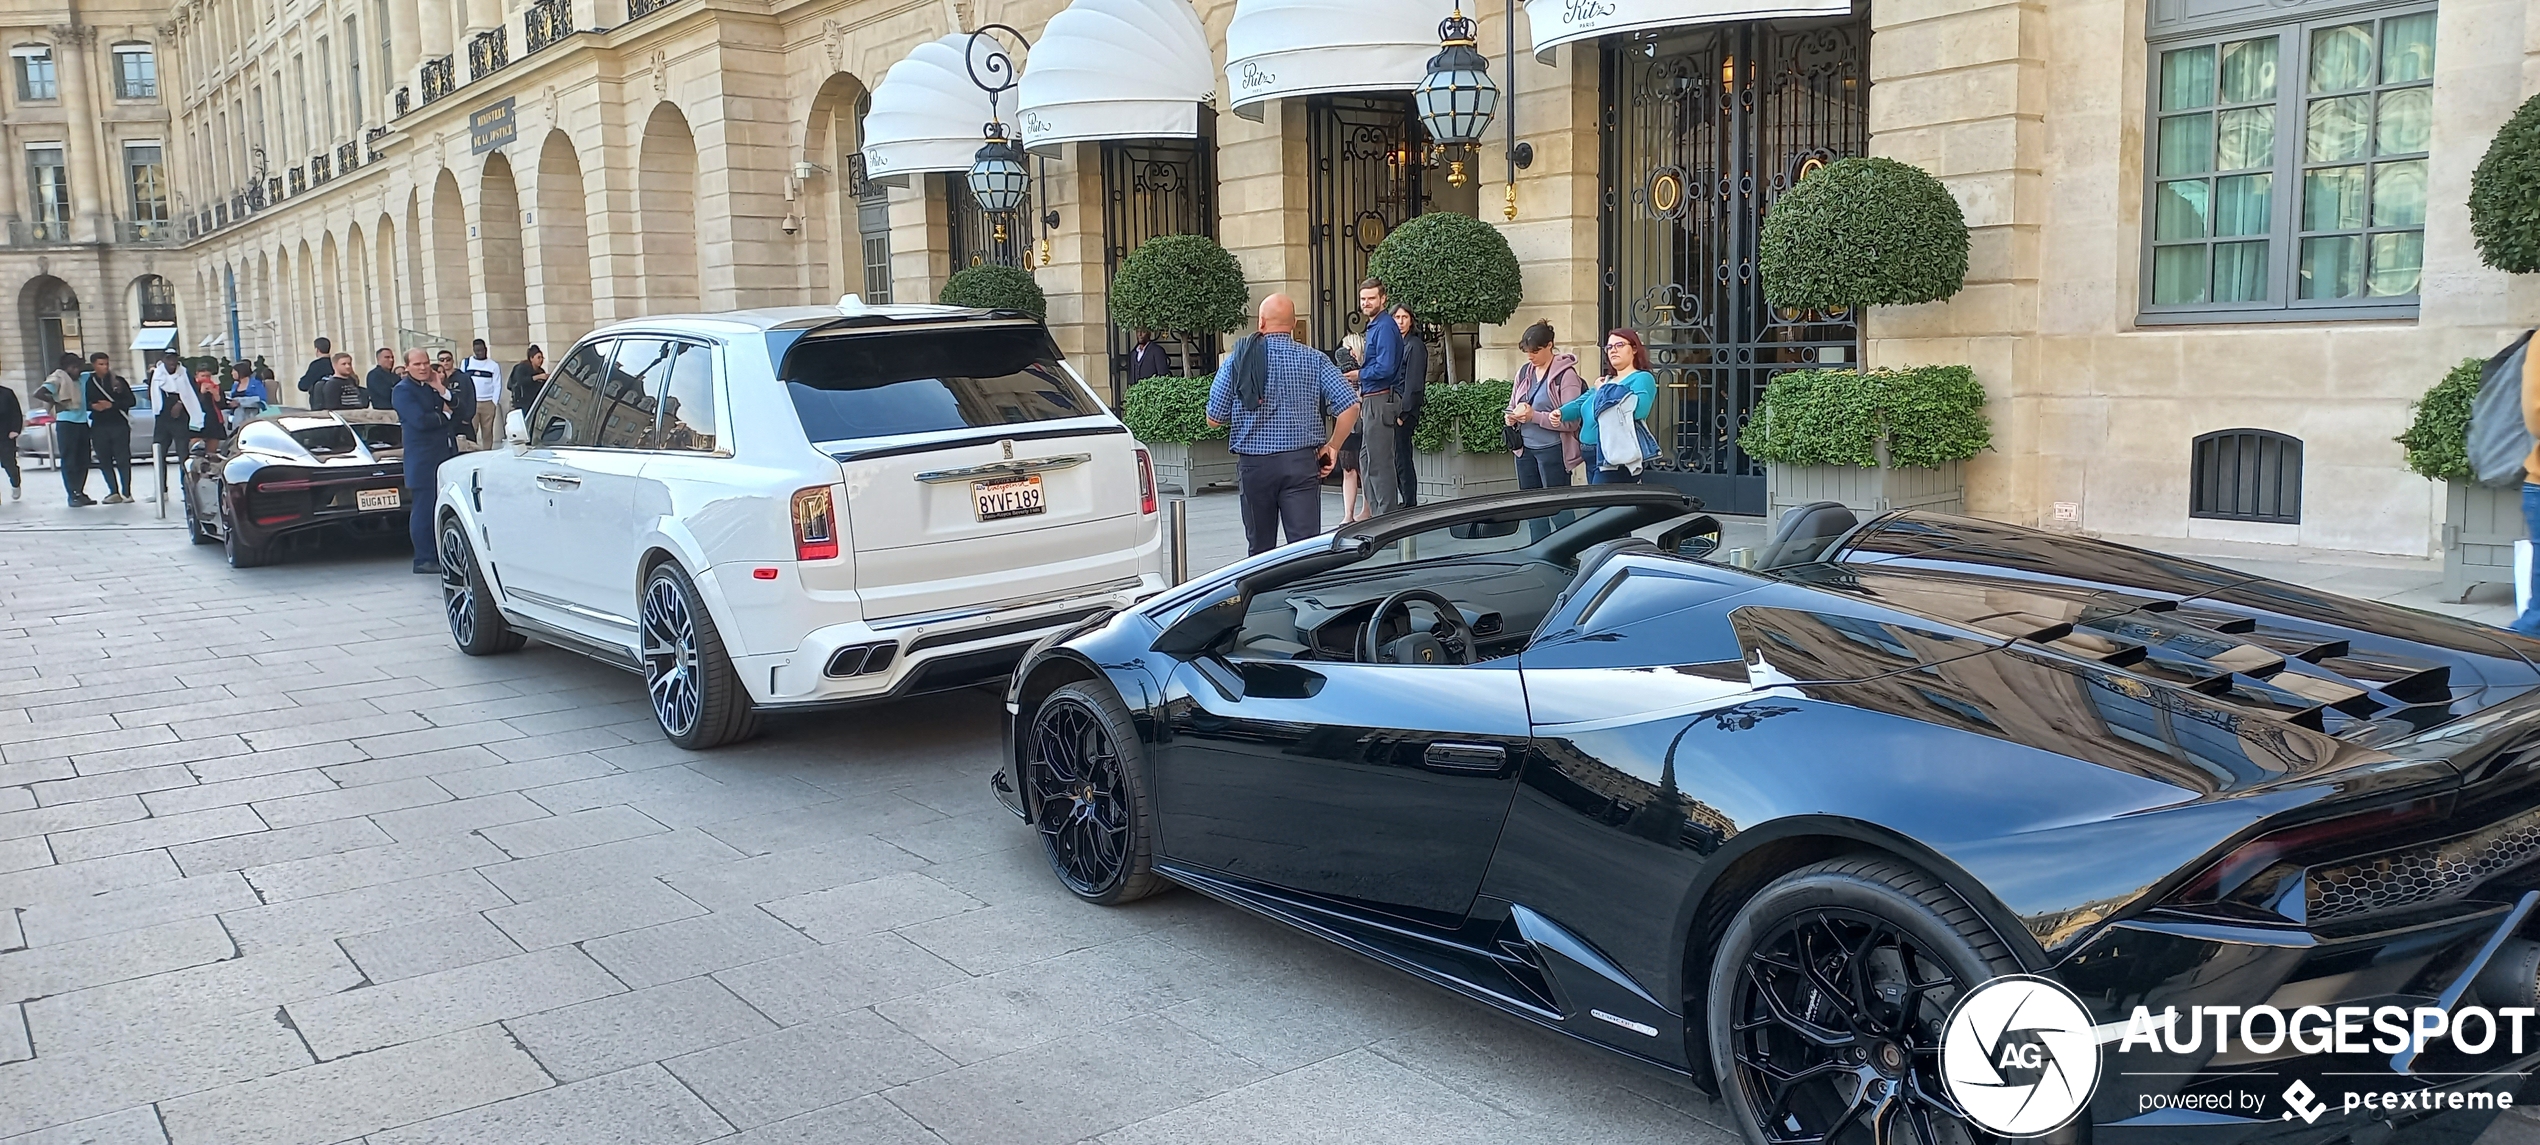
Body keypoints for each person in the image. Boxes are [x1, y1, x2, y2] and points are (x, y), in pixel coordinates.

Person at [1206, 294, 1360, 556]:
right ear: (1295, 324)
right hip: (1300, 464)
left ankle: (1264, 595)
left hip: (1255, 465)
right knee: (1304, 548)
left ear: (1261, 322)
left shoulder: (1238, 359)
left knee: (1260, 548)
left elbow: (1214, 418)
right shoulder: (1315, 359)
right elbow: (1351, 406)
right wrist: (1333, 446)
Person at [394, 349, 475, 574]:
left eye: (426, 363)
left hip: (444, 453)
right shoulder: (402, 391)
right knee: (424, 509)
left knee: (443, 506)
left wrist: (441, 389)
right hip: (423, 459)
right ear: (407, 366)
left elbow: (462, 409)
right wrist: (445, 416)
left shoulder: (431, 387)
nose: (423, 368)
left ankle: (440, 553)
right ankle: (423, 558)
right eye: (417, 364)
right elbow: (421, 421)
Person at [1504, 321, 1587, 538]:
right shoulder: (1524, 372)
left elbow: (1572, 421)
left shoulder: (1566, 376)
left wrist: (1535, 417)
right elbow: (1512, 403)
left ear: (1549, 345)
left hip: (1553, 449)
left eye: (1535, 351)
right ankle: (1538, 550)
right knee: (1532, 508)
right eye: (1527, 352)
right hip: (1525, 449)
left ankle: (1566, 552)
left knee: (1558, 509)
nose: (1530, 356)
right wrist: (1512, 417)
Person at [1556, 328, 1661, 485]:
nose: (1613, 350)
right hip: (1590, 453)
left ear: (1633, 349)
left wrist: (1603, 390)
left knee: (1600, 506)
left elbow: (1638, 411)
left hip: (1614, 455)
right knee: (1597, 504)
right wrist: (1560, 413)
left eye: (1619, 345)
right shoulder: (1606, 381)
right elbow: (1580, 403)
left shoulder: (1642, 378)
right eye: (1610, 347)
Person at [1340, 277, 1403, 517]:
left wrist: (1359, 373)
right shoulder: (1377, 325)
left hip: (1379, 398)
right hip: (1372, 398)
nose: (1366, 303)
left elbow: (1385, 368)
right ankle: (1376, 518)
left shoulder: (1385, 326)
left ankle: (1387, 522)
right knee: (1367, 460)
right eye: (1363, 299)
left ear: (1383, 299)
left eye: (1371, 298)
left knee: (1379, 464)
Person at [82, 353, 136, 504]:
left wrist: (112, 405)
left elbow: (131, 400)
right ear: (93, 365)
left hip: (119, 425)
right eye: (100, 364)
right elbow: (83, 401)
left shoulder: (118, 381)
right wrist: (93, 406)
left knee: (123, 459)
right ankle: (113, 491)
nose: (104, 367)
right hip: (99, 425)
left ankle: (126, 491)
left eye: (106, 363)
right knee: (104, 460)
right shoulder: (88, 382)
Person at [149, 350, 204, 492]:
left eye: (174, 359)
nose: (172, 362)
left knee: (183, 454)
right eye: (168, 359)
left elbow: (192, 392)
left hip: (180, 419)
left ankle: (186, 487)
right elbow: (152, 394)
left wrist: (180, 402)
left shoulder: (184, 373)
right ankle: (161, 489)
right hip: (162, 418)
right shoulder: (157, 375)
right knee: (159, 453)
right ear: (163, 360)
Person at [1391, 305, 1427, 510]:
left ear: (1411, 320)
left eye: (1405, 317)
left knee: (1402, 456)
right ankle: (1404, 498)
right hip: (1393, 408)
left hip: (1405, 411)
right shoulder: (1397, 344)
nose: (1401, 321)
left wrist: (1403, 413)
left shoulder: (1414, 345)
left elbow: (1414, 384)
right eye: (1397, 317)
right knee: (1396, 457)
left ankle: (1409, 501)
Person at [1333, 333, 1368, 524]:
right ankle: (1348, 514)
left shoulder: (1367, 369)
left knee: (1365, 469)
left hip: (1363, 422)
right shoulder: (1340, 372)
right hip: (1348, 424)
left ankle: (1366, 510)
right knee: (1348, 469)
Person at [48, 353, 91, 505]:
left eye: (78, 367)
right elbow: (39, 393)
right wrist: (58, 403)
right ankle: (71, 493)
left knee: (83, 459)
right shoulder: (58, 378)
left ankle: (80, 491)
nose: (77, 370)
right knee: (70, 460)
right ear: (65, 368)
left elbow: (94, 369)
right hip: (66, 423)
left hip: (82, 422)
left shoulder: (83, 378)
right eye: (73, 367)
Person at [460, 339, 502, 447]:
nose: (480, 353)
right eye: (477, 350)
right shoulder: (466, 363)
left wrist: (494, 402)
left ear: (486, 349)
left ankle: (487, 452)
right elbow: (463, 382)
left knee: (487, 432)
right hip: (472, 402)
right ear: (473, 350)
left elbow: (497, 384)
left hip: (488, 402)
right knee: (471, 431)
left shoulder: (493, 365)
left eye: (482, 350)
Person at [507, 345, 547, 415]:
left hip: (534, 402)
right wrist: (536, 377)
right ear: (531, 358)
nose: (541, 360)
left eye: (542, 358)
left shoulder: (541, 371)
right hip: (521, 402)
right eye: (538, 358)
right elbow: (520, 381)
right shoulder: (522, 368)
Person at [0, 380, 20, 501]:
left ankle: (15, 483)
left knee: (9, 464)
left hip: (5, 435)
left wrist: (15, 429)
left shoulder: (7, 393)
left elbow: (16, 413)